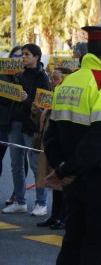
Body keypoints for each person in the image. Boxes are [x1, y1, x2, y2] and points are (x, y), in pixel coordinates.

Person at [43, 24, 101, 265]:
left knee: (73, 245)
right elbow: (98, 141)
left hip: (75, 181)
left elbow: (51, 134)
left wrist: (63, 169)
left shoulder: (68, 82)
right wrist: (65, 171)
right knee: (99, 251)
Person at [2, 43, 50, 216]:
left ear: (36, 57)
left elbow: (44, 104)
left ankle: (41, 203)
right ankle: (20, 201)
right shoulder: (19, 75)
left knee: (36, 165)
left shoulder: (42, 77)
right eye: (22, 54)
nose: (23, 57)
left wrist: (27, 100)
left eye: (27, 54)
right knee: (16, 164)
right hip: (15, 124)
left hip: (31, 126)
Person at [35, 67, 73, 230]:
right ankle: (55, 215)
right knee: (55, 184)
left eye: (55, 78)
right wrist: (37, 112)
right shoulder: (51, 98)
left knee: (63, 184)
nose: (51, 81)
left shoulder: (67, 98)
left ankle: (64, 217)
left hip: (62, 146)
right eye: (51, 78)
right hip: (50, 147)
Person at [0, 46, 22, 184]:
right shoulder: (2, 74)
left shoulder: (26, 75)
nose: (18, 59)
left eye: (22, 56)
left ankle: (18, 196)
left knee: (19, 161)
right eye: (15, 57)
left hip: (18, 122)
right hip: (2, 122)